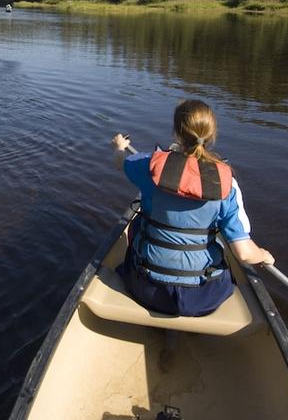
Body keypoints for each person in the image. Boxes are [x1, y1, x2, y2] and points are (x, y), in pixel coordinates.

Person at [111, 99, 274, 317]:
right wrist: (263, 255)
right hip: (203, 297)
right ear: (211, 135)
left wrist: (120, 148)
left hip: (147, 289)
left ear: (176, 133)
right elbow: (244, 254)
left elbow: (120, 162)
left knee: (137, 225)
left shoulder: (148, 166)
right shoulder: (226, 183)